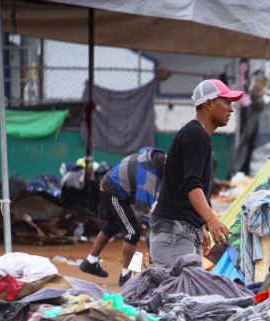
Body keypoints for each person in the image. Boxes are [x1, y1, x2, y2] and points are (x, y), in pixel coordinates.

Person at [149, 79, 243, 266]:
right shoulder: (196, 136)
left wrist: (199, 223)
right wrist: (212, 220)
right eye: (226, 102)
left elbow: (181, 186)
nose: (231, 109)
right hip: (174, 234)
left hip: (179, 231)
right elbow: (191, 185)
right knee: (178, 293)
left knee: (186, 292)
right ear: (208, 104)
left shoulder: (198, 135)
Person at [79, 147, 165, 286]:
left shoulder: (153, 154)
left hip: (113, 185)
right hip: (114, 191)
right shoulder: (150, 178)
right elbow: (142, 212)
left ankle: (90, 261)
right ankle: (126, 276)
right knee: (133, 230)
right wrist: (153, 225)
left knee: (113, 225)